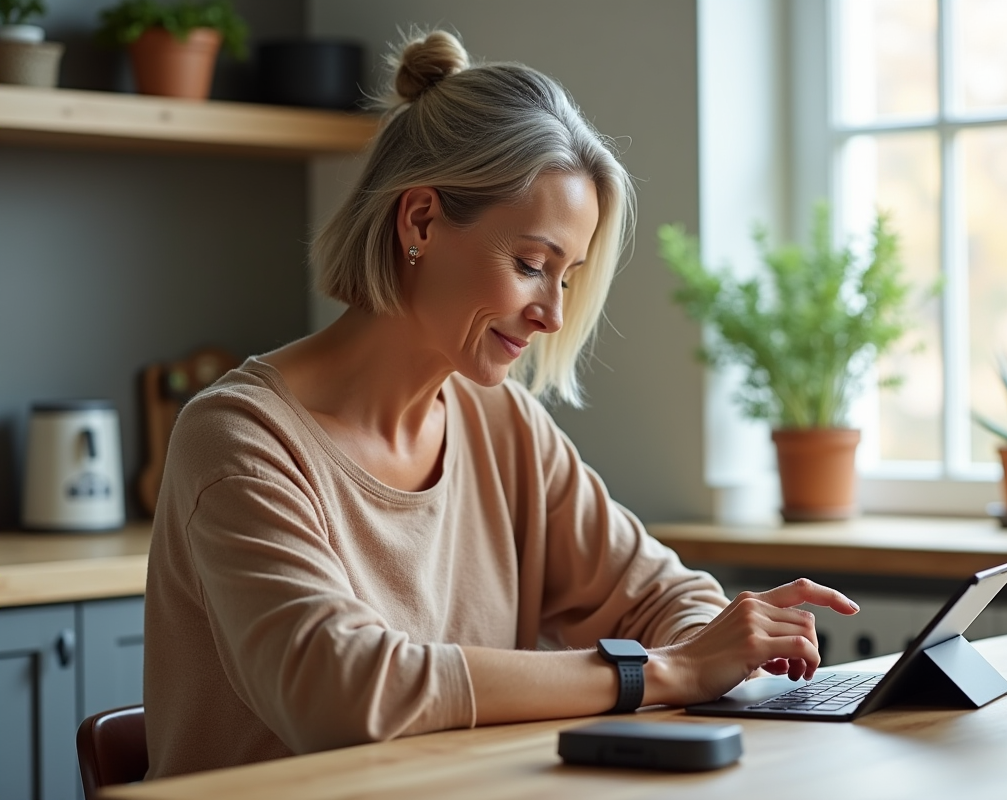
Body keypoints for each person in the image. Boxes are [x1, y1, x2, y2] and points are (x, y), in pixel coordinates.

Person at [142, 29, 859, 779]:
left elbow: (663, 596)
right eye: (530, 264)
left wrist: (720, 646)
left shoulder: (504, 426)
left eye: (567, 276)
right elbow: (343, 691)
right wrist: (669, 671)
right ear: (420, 221)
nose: (553, 314)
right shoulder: (239, 440)